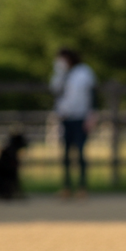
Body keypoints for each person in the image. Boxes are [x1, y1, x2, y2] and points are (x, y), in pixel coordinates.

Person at [49, 47, 96, 199]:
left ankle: (82, 186)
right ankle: (66, 186)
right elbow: (55, 90)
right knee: (66, 153)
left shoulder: (84, 72)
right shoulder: (60, 75)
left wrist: (91, 115)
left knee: (80, 152)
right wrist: (60, 74)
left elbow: (92, 94)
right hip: (65, 118)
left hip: (81, 117)